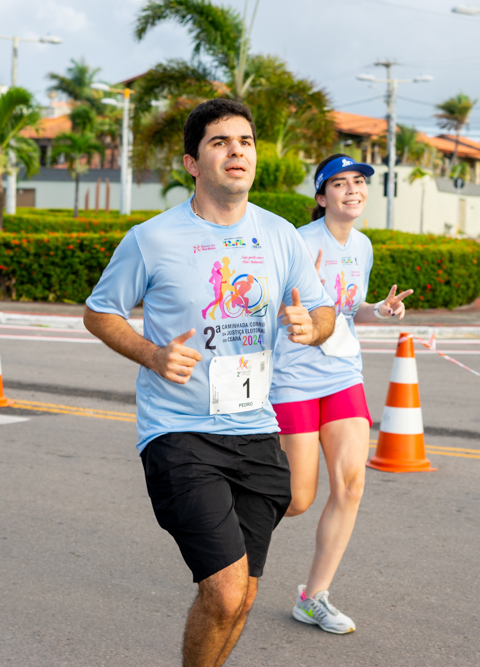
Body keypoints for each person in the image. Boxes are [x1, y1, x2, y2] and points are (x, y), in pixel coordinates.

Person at [83, 99, 335, 667]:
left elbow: (321, 314)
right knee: (223, 590)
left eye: (245, 141)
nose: (236, 151)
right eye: (220, 142)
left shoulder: (280, 236)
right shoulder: (153, 238)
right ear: (193, 163)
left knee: (240, 597)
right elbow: (100, 312)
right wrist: (151, 354)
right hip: (180, 432)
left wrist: (309, 325)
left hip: (254, 428)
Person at [270, 154, 413, 634]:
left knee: (351, 485)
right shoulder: (297, 243)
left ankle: (314, 597)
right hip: (293, 378)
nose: (352, 190)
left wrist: (381, 309)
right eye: (339, 184)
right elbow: (279, 311)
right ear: (321, 197)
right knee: (296, 500)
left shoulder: (363, 246)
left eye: (359, 182)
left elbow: (348, 311)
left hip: (343, 375)